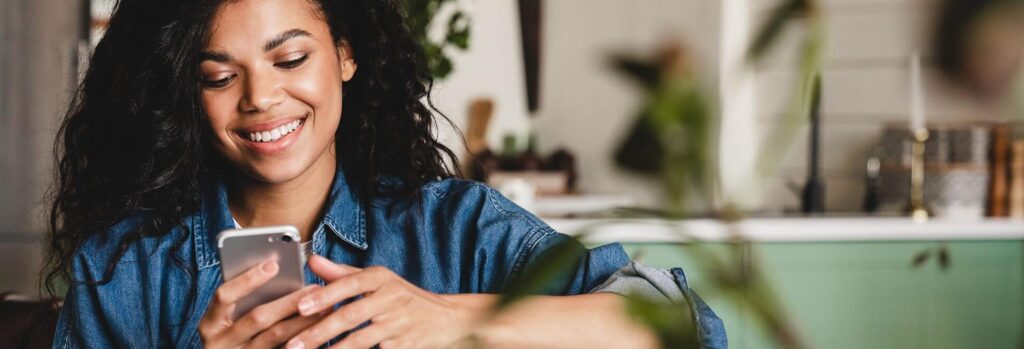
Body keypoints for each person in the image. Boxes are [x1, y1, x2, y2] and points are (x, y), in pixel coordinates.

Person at [45, 0, 726, 348]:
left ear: (345, 54)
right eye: (220, 76)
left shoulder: (457, 231)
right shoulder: (124, 272)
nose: (260, 98)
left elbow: (687, 326)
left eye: (290, 60)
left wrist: (452, 318)